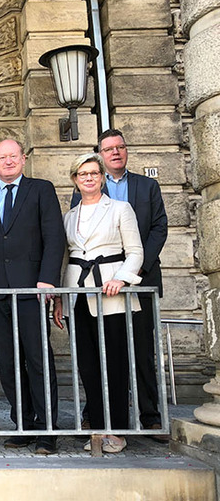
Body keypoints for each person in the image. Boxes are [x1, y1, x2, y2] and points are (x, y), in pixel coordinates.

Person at [70, 129, 168, 442]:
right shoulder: (73, 208)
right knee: (91, 361)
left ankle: (146, 418)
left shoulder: (144, 186)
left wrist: (130, 272)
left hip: (132, 281)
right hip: (85, 293)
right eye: (109, 149)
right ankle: (96, 420)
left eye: (120, 147)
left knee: (136, 353)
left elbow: (156, 229)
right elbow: (73, 250)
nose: (116, 152)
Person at [0, 139, 64, 455]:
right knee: (9, 363)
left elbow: (55, 239)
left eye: (13, 156)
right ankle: (23, 424)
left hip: (32, 292)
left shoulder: (41, 190)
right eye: (2, 157)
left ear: (23, 159)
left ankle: (48, 428)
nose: (8, 161)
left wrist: (48, 280)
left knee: (38, 360)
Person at [56, 153, 143, 453]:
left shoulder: (120, 208)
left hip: (110, 294)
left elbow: (135, 251)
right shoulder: (69, 216)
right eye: (83, 174)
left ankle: (117, 430)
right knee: (88, 366)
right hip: (77, 295)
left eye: (94, 172)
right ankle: (97, 427)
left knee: (114, 364)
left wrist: (121, 277)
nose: (89, 178)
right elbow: (65, 257)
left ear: (103, 177)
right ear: (75, 180)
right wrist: (59, 299)